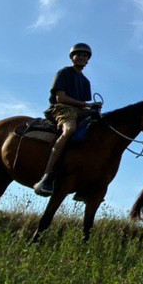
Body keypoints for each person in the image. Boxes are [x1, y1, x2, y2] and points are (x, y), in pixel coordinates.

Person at [34, 42, 100, 196]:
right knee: (70, 129)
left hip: (79, 111)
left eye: (85, 55)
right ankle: (47, 175)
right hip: (62, 109)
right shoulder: (64, 72)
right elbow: (60, 98)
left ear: (87, 60)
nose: (81, 57)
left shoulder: (85, 81)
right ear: (72, 57)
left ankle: (85, 182)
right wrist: (87, 105)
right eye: (78, 54)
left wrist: (93, 109)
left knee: (97, 132)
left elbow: (84, 107)